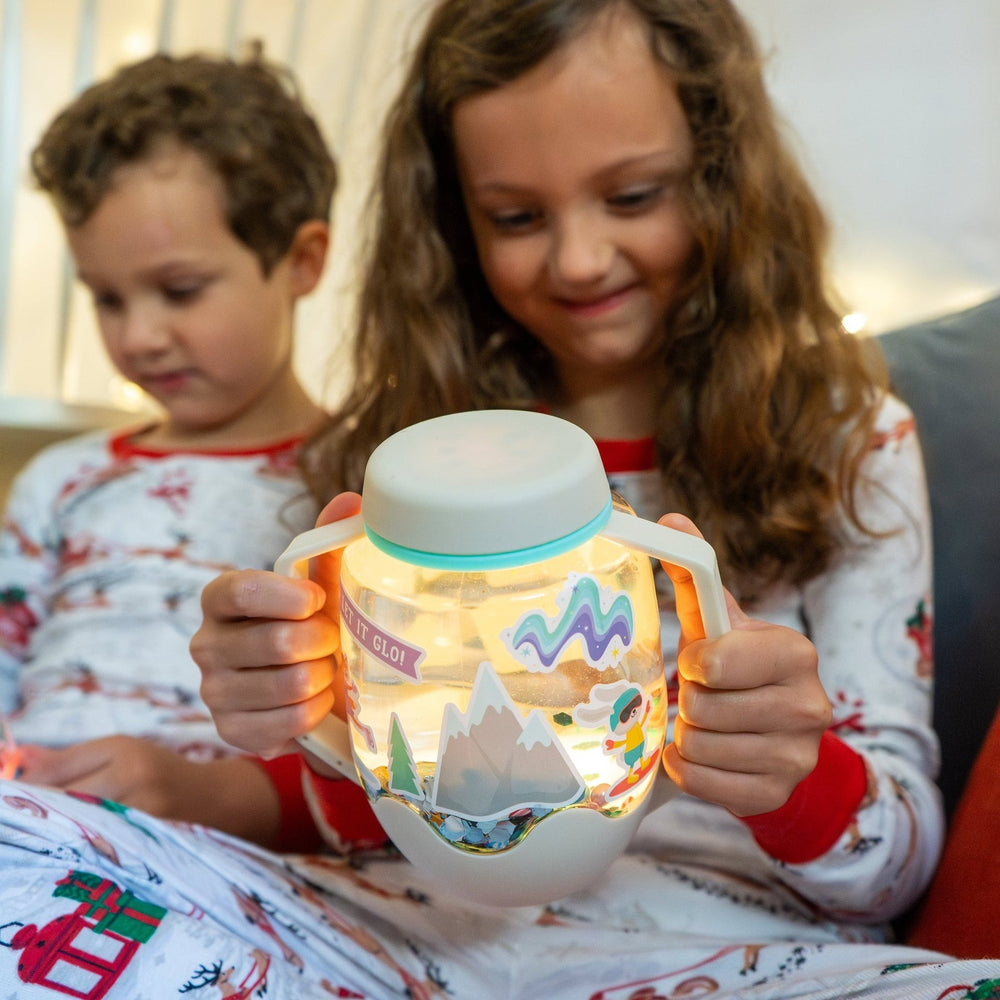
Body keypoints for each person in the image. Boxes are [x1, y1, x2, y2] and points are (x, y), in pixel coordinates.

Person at [2, 2, 999, 997]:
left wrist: (796, 775)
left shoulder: (844, 437)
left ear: (722, 173)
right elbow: (356, 818)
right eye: (515, 218)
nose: (577, 258)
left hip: (720, 947)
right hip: (391, 934)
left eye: (633, 195)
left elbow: (895, 865)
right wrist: (312, 722)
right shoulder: (410, 458)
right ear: (453, 221)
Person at [0, 51, 342, 852]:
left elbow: (382, 759)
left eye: (180, 290)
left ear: (302, 261)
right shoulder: (62, 480)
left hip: (227, 857)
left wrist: (205, 792)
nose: (139, 336)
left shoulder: (357, 481)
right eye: (107, 299)